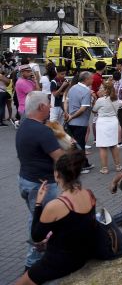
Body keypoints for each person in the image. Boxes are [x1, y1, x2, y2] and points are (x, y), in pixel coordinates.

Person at [17, 151, 97, 285]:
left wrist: (38, 204)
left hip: (61, 260)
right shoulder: (88, 193)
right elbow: (74, 224)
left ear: (57, 174)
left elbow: (37, 236)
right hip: (83, 253)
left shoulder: (55, 205)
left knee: (21, 282)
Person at [16, 92, 66, 271]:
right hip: (42, 185)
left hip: (25, 180)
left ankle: (44, 254)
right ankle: (33, 264)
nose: (50, 107)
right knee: (43, 222)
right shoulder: (43, 131)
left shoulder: (23, 125)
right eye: (48, 104)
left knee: (35, 218)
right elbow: (60, 158)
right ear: (41, 107)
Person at [65, 71, 94, 172]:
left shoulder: (72, 88)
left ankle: (85, 163)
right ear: (86, 80)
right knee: (80, 145)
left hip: (70, 122)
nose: (93, 80)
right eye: (91, 78)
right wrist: (72, 116)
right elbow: (83, 109)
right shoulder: (86, 91)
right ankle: (80, 167)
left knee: (74, 144)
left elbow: (66, 101)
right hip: (80, 123)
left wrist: (67, 114)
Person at [92, 80, 122, 174]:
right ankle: (118, 166)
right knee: (114, 145)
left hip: (102, 122)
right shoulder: (116, 99)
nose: (100, 89)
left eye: (101, 88)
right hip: (113, 121)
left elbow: (94, 110)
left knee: (103, 146)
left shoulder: (100, 100)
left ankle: (104, 168)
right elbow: (121, 105)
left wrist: (94, 99)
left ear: (106, 90)